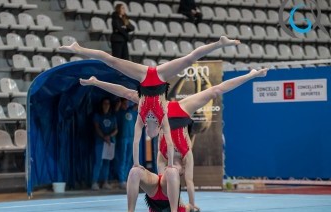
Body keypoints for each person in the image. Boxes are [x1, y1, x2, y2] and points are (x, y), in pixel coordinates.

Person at [80, 68, 269, 212]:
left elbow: (217, 89)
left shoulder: (176, 108)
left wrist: (251, 75)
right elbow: (123, 91)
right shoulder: (150, 108)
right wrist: (95, 82)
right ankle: (144, 211)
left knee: (215, 90)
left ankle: (251, 74)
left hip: (177, 119)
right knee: (153, 171)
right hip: (162, 183)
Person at [59, 36, 241, 181]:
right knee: (189, 59)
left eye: (150, 129)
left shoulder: (142, 115)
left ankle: (78, 49)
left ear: (148, 128)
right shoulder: (163, 118)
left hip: (145, 78)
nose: (152, 128)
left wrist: (96, 83)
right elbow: (169, 143)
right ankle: (220, 43)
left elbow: (135, 139)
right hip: (160, 77)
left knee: (113, 62)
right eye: (154, 131)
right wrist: (170, 164)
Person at [91, 97, 118, 190]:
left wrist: (109, 136)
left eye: (108, 104)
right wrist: (104, 136)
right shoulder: (98, 115)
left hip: (110, 142)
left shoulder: (112, 116)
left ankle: (105, 182)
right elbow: (97, 127)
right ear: (102, 105)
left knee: (107, 162)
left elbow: (116, 129)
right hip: (100, 142)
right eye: (105, 103)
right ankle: (94, 182)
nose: (106, 105)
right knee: (98, 162)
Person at [115, 98, 137, 189]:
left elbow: (137, 104)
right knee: (122, 159)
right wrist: (119, 103)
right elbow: (115, 110)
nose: (126, 105)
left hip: (131, 138)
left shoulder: (131, 111)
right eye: (124, 103)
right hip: (122, 138)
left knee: (128, 159)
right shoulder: (119, 113)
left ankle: (128, 178)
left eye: (127, 103)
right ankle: (121, 180)